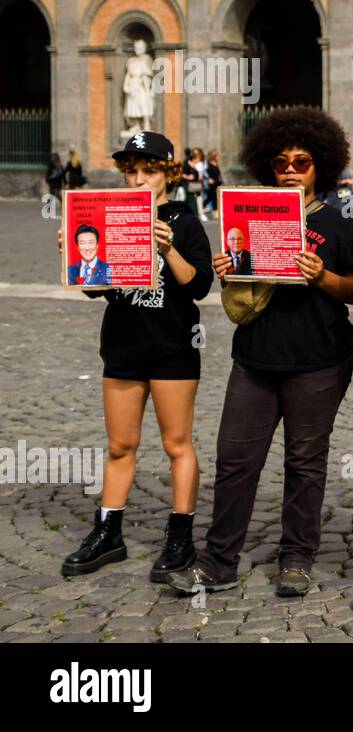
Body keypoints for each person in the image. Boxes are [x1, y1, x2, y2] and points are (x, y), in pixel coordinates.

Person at [168, 108, 353, 599]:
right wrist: (227, 266)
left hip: (319, 359)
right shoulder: (249, 216)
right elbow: (241, 286)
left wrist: (321, 276)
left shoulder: (342, 225)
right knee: (235, 459)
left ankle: (297, 558)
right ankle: (218, 560)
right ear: (268, 166)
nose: (291, 169)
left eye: (302, 161)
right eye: (281, 162)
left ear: (320, 165)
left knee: (305, 462)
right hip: (255, 357)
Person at [60, 131, 213, 582]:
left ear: (168, 172)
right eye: (131, 172)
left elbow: (200, 284)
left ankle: (180, 536)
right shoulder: (112, 215)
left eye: (148, 171)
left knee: (176, 443)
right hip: (124, 343)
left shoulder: (184, 220)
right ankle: (109, 532)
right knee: (119, 445)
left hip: (173, 347)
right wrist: (75, 256)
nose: (138, 180)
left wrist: (168, 249)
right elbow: (95, 287)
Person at [204, 149, 223, 216]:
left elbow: (218, 174)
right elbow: (204, 173)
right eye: (217, 156)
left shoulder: (216, 164)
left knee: (210, 197)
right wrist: (208, 179)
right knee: (213, 198)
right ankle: (215, 212)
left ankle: (203, 208)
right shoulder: (209, 165)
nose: (218, 157)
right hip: (212, 185)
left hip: (217, 183)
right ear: (213, 157)